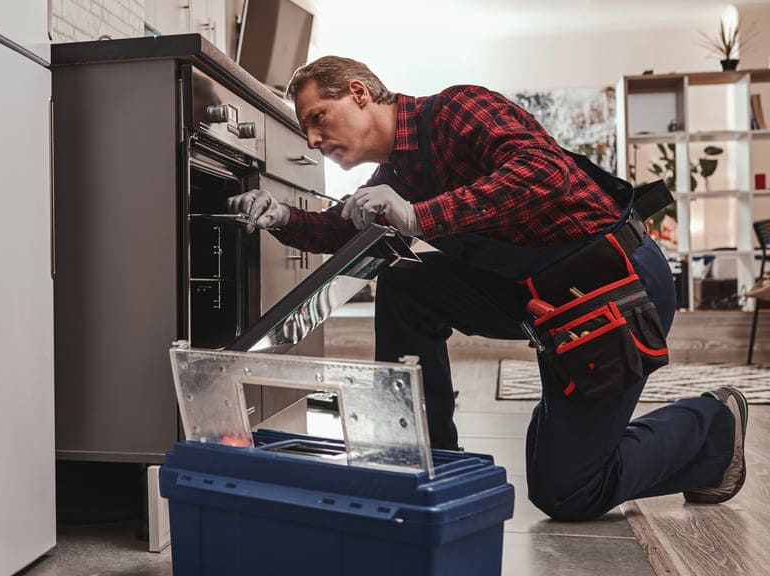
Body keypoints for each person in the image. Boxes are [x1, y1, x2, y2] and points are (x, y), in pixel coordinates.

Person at [227, 56, 747, 521]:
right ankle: (432, 462)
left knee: (566, 492)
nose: (313, 139)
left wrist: (419, 215)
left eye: (318, 117)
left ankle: (714, 424)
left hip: (615, 285)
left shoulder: (457, 109)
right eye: (306, 129)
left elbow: (543, 172)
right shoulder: (396, 175)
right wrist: (279, 217)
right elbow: (336, 231)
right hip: (543, 300)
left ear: (360, 93)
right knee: (407, 283)